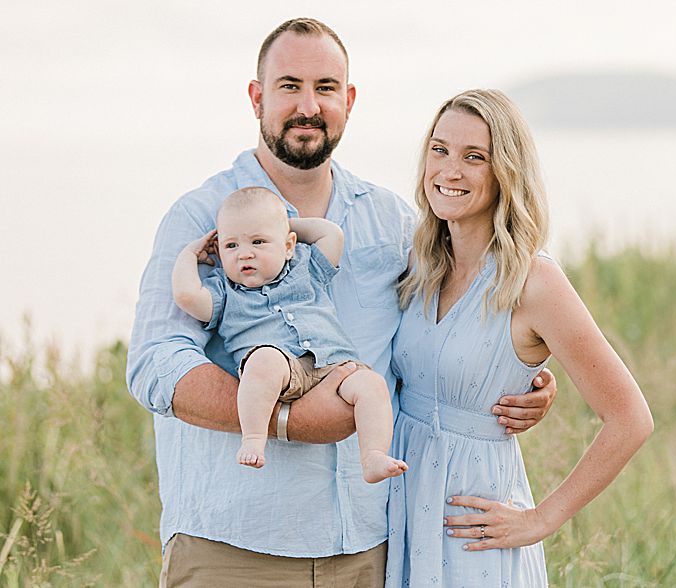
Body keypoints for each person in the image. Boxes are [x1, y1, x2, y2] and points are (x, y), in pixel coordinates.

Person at [126, 18, 555, 586]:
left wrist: (523, 379)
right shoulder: (201, 216)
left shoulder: (392, 220)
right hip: (236, 547)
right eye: (288, 86)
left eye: (326, 88)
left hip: (369, 546)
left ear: (348, 101)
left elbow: (448, 325)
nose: (309, 105)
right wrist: (287, 420)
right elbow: (156, 365)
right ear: (257, 97)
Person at [384, 89, 654, 586]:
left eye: (474, 157)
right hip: (401, 511)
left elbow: (630, 418)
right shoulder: (416, 262)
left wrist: (541, 519)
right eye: (439, 150)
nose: (449, 170)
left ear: (505, 171)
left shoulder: (535, 282)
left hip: (476, 527)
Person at [170, 187, 408, 482]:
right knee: (263, 361)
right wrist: (188, 254)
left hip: (333, 362)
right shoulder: (225, 291)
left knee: (372, 384)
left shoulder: (305, 268)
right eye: (231, 245)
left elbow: (331, 234)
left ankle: (373, 456)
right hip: (282, 372)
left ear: (288, 245)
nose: (245, 253)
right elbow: (186, 296)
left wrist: (281, 227)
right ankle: (254, 437)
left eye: (258, 241)